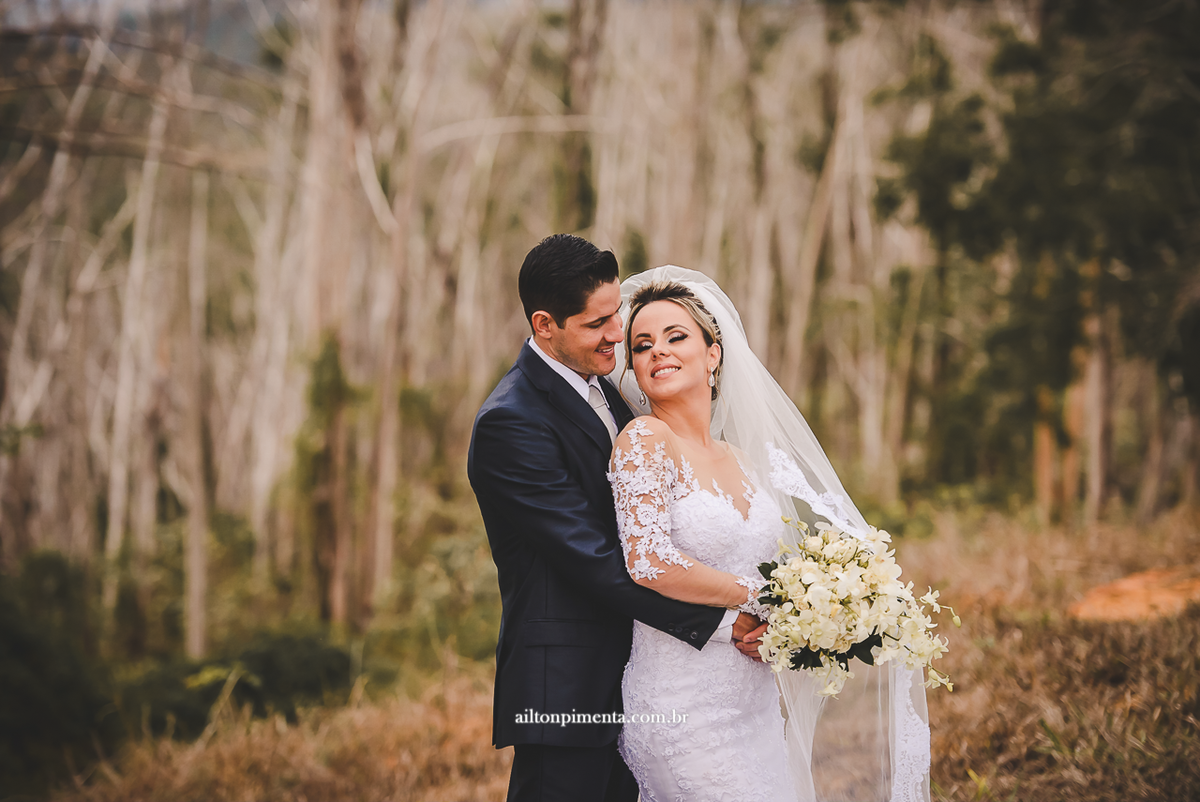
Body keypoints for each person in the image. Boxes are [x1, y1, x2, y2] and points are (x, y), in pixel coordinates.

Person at [606, 266, 933, 802]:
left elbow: (772, 567)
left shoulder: (742, 459)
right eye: (641, 346)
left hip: (754, 703)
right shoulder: (645, 440)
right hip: (682, 708)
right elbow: (650, 562)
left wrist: (791, 622)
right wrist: (759, 599)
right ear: (635, 370)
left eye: (675, 336)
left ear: (713, 355)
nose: (657, 350)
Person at [466, 236, 764, 802]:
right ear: (545, 325)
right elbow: (597, 560)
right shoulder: (511, 422)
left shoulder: (613, 389)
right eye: (596, 323)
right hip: (569, 691)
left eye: (616, 315)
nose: (616, 334)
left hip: (651, 676)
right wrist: (727, 620)